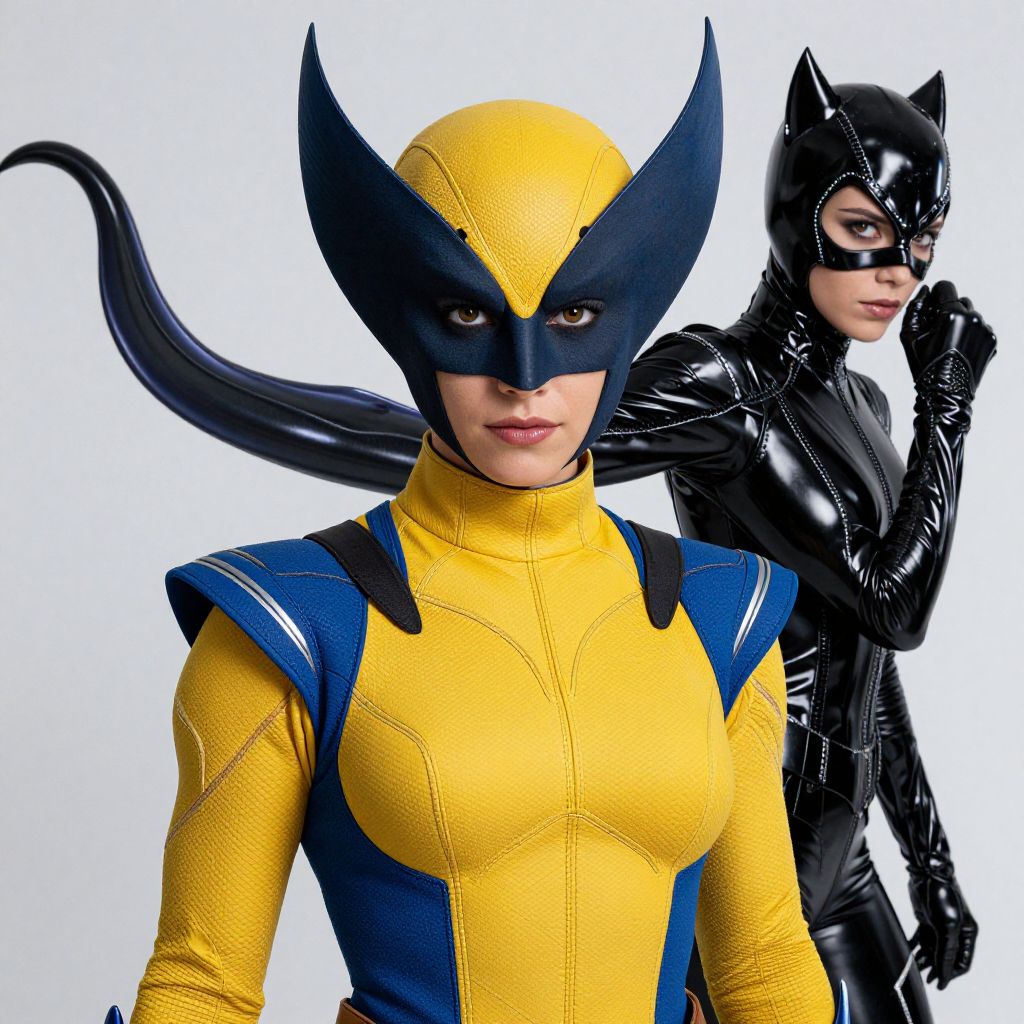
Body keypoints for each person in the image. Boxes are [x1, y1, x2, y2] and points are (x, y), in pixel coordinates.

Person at [4, 21, 852, 1024]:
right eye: (467, 316)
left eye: (573, 315)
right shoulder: (291, 628)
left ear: (629, 313)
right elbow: (203, 981)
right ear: (403, 315)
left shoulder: (718, 615)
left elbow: (763, 962)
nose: (525, 379)